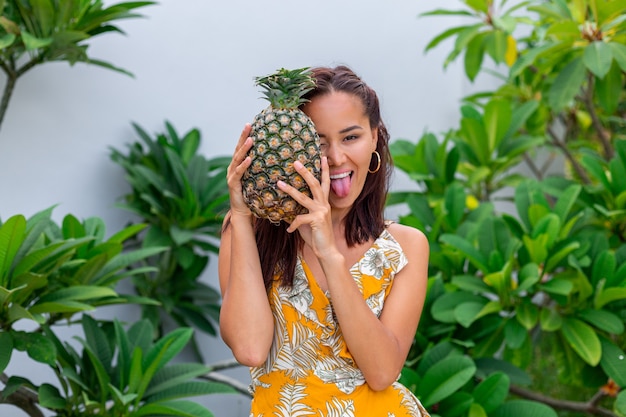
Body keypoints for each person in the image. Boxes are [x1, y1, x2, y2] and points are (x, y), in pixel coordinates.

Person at [218, 65, 430, 416]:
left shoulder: (405, 246)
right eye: (317, 142)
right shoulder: (249, 233)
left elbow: (382, 373)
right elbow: (250, 349)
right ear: (290, 146)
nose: (335, 158)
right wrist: (241, 215)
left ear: (375, 137)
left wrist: (329, 255)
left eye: (351, 137)